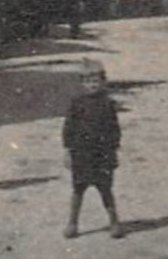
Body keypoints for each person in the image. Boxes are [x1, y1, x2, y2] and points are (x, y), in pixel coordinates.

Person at [63, 59, 123, 239]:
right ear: (82, 83)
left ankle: (114, 222)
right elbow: (68, 128)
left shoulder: (108, 104)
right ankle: (72, 223)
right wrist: (67, 151)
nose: (92, 85)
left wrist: (114, 150)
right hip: (81, 154)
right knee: (78, 189)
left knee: (105, 189)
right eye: (88, 82)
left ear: (103, 82)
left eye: (96, 81)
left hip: (102, 154)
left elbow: (115, 129)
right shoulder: (76, 103)